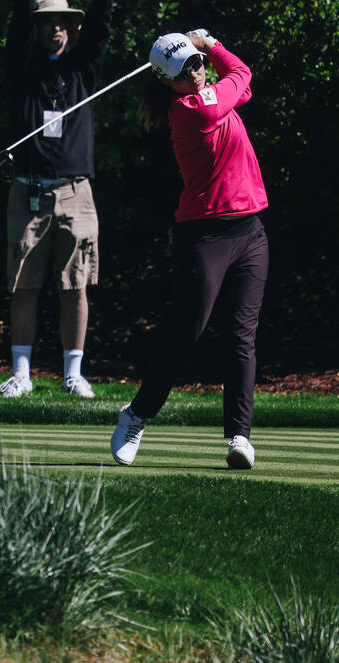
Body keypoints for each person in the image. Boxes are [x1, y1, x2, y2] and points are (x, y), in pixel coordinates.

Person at [110, 29, 269, 468]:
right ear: (167, 81)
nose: (195, 72)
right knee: (187, 335)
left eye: (196, 63)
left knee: (242, 339)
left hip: (250, 231)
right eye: (184, 69)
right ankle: (136, 415)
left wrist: (203, 49)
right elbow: (242, 72)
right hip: (205, 236)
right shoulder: (193, 110)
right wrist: (212, 43)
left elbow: (241, 82)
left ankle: (239, 437)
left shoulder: (214, 96)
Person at [0, 0, 114, 399]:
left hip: (76, 192)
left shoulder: (83, 70)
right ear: (37, 27)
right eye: (47, 22)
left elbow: (101, 28)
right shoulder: (24, 69)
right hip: (29, 190)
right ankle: (22, 375)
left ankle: (73, 374)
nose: (56, 29)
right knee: (24, 286)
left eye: (62, 22)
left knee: (75, 285)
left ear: (72, 28)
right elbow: (16, 32)